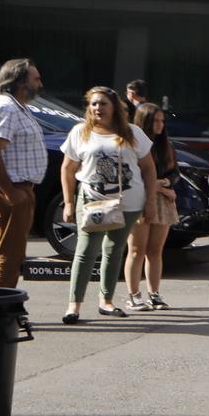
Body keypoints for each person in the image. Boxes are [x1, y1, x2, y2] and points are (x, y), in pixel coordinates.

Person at [59, 86, 157, 325]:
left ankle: (107, 301)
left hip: (128, 202)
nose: (97, 108)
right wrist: (69, 202)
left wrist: (150, 202)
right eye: (93, 104)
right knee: (86, 250)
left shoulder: (132, 132)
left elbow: (148, 169)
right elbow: (68, 169)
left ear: (115, 107)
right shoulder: (80, 132)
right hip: (92, 201)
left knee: (114, 250)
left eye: (103, 103)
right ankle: (74, 305)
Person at [0, 60, 47, 311]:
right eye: (35, 79)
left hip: (19, 188)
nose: (40, 83)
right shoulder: (4, 107)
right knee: (10, 254)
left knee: (5, 250)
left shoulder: (18, 107)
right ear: (20, 82)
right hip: (10, 189)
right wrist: (10, 191)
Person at [123, 102, 177, 311]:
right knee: (136, 249)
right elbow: (134, 175)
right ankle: (133, 294)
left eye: (162, 121)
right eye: (155, 121)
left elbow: (175, 173)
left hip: (162, 202)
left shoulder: (165, 145)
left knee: (155, 250)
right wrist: (162, 187)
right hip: (139, 198)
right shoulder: (133, 143)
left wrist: (166, 183)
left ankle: (154, 294)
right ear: (145, 122)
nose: (160, 125)